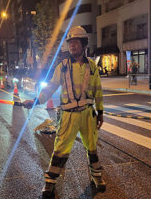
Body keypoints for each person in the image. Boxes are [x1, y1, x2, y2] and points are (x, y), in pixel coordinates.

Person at [23, 26, 105, 198]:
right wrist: (36, 100)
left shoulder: (92, 67)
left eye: (76, 42)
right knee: (60, 150)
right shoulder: (63, 66)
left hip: (88, 115)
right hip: (68, 116)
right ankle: (50, 184)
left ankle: (97, 178)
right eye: (70, 43)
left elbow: (98, 89)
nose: (72, 45)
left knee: (92, 148)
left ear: (83, 44)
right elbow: (51, 87)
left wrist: (100, 112)